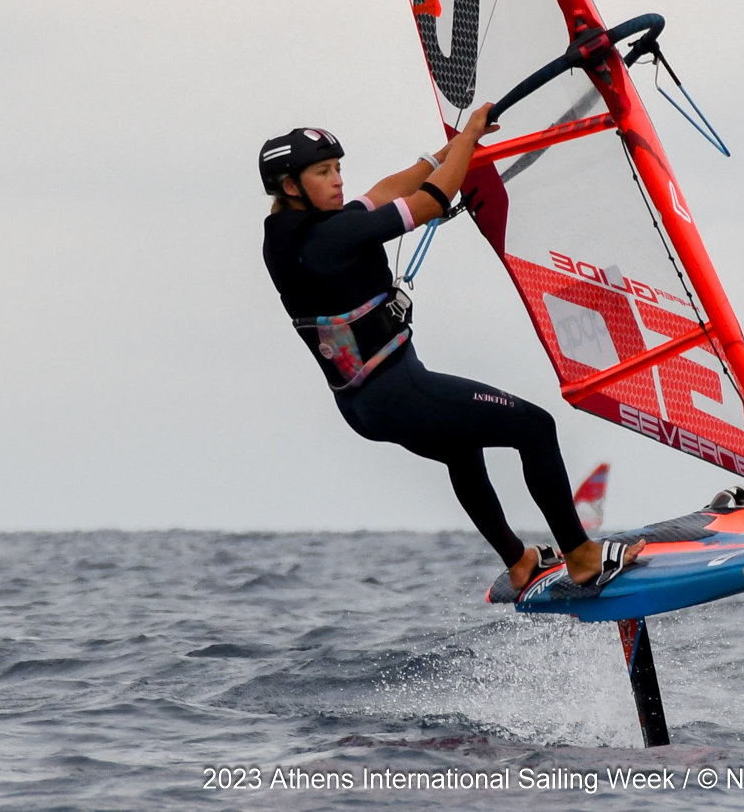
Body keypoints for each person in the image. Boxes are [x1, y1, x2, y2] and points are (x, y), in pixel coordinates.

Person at [259, 108, 642, 593]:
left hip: (363, 405)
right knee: (536, 428)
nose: (337, 180)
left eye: (337, 168)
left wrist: (448, 150)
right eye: (322, 172)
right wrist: (470, 137)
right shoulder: (324, 239)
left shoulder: (294, 236)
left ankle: (519, 561)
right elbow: (430, 201)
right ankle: (582, 556)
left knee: (462, 449)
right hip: (398, 391)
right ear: (290, 186)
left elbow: (384, 191)